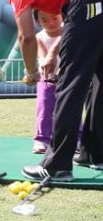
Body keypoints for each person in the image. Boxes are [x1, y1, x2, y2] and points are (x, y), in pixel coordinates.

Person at [0, 0, 103, 180]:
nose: (12, 1)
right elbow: (75, 24)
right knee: (99, 78)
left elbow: (26, 37)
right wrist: (52, 52)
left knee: (70, 82)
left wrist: (31, 71)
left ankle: (57, 165)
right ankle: (95, 154)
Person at [32, 10, 64, 154]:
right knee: (44, 109)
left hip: (65, 77)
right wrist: (51, 74)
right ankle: (41, 140)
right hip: (46, 78)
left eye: (54, 18)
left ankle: (77, 139)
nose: (50, 23)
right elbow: (44, 58)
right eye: (44, 20)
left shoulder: (69, 32)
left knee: (70, 108)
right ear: (38, 21)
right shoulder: (39, 37)